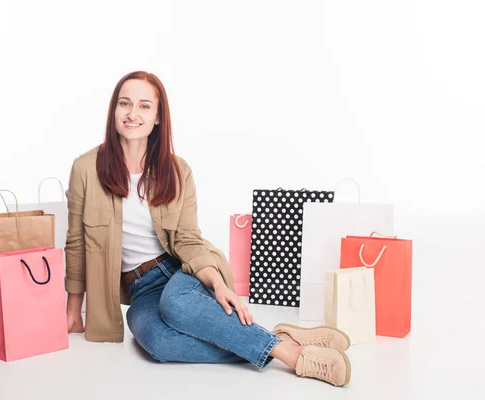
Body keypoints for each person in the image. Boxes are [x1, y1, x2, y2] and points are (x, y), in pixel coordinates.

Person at [64, 71, 352, 387]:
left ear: (158, 117)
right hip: (139, 289)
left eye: (145, 106)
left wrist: (217, 284)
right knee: (158, 344)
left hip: (180, 272)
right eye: (125, 103)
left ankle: (294, 357)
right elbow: (76, 242)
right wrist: (73, 311)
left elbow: (188, 238)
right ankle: (279, 338)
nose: (133, 114)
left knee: (176, 304)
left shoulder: (177, 170)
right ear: (113, 110)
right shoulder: (85, 168)